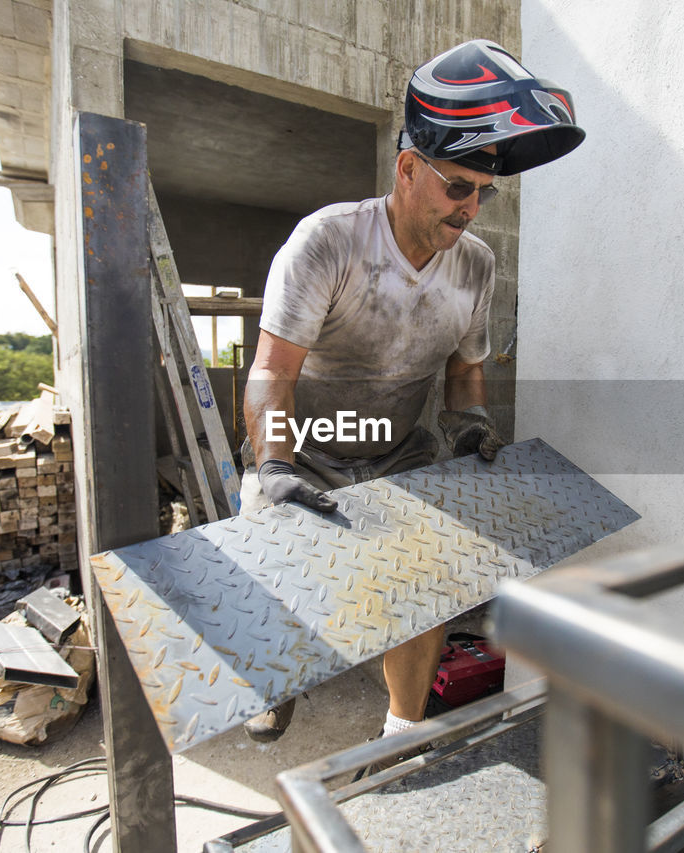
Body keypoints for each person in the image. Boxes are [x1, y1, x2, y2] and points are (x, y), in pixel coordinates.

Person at [237, 39, 584, 760]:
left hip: (400, 450)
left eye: (484, 193)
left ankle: (401, 733)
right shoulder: (327, 243)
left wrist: (472, 426)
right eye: (459, 187)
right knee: (278, 597)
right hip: (305, 449)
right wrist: (272, 463)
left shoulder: (477, 264)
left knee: (422, 583)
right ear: (407, 169)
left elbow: (464, 368)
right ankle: (275, 676)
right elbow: (273, 368)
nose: (472, 209)